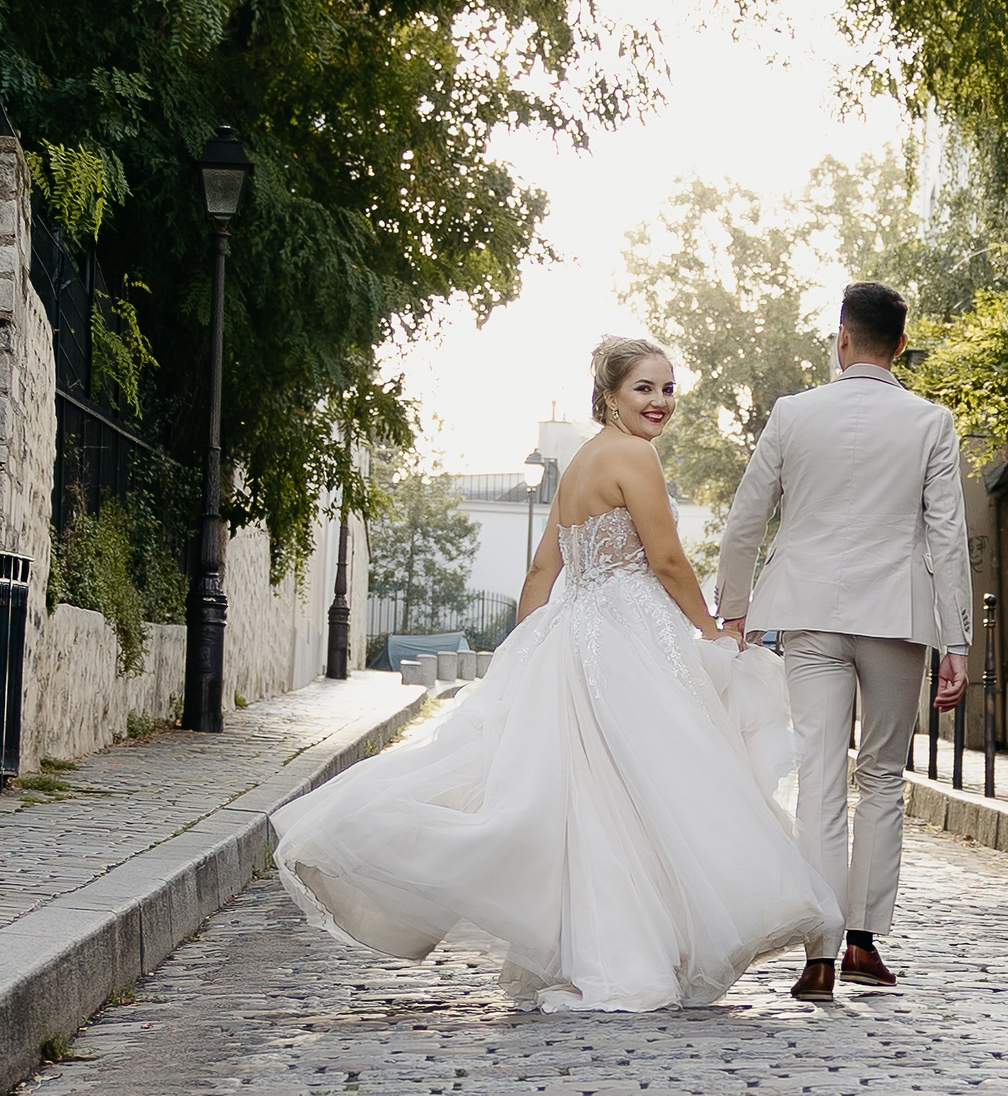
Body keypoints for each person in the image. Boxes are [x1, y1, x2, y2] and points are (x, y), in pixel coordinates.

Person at [268, 336, 838, 1012]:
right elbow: (668, 560)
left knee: (600, 799)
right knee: (657, 785)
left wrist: (523, 648)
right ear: (609, 396)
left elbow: (543, 570)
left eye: (668, 387)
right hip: (628, 638)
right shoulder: (633, 455)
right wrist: (712, 628)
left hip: (579, 637)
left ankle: (610, 948)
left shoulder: (576, 465)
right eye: (644, 388)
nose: (661, 401)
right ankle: (635, 950)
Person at [717, 281, 972, 1002]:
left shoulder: (794, 414)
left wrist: (733, 608)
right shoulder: (930, 421)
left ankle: (820, 953)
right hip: (897, 612)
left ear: (841, 338)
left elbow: (746, 519)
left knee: (821, 778)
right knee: (882, 776)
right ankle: (863, 940)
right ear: (899, 344)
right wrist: (959, 643)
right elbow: (948, 537)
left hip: (809, 611)